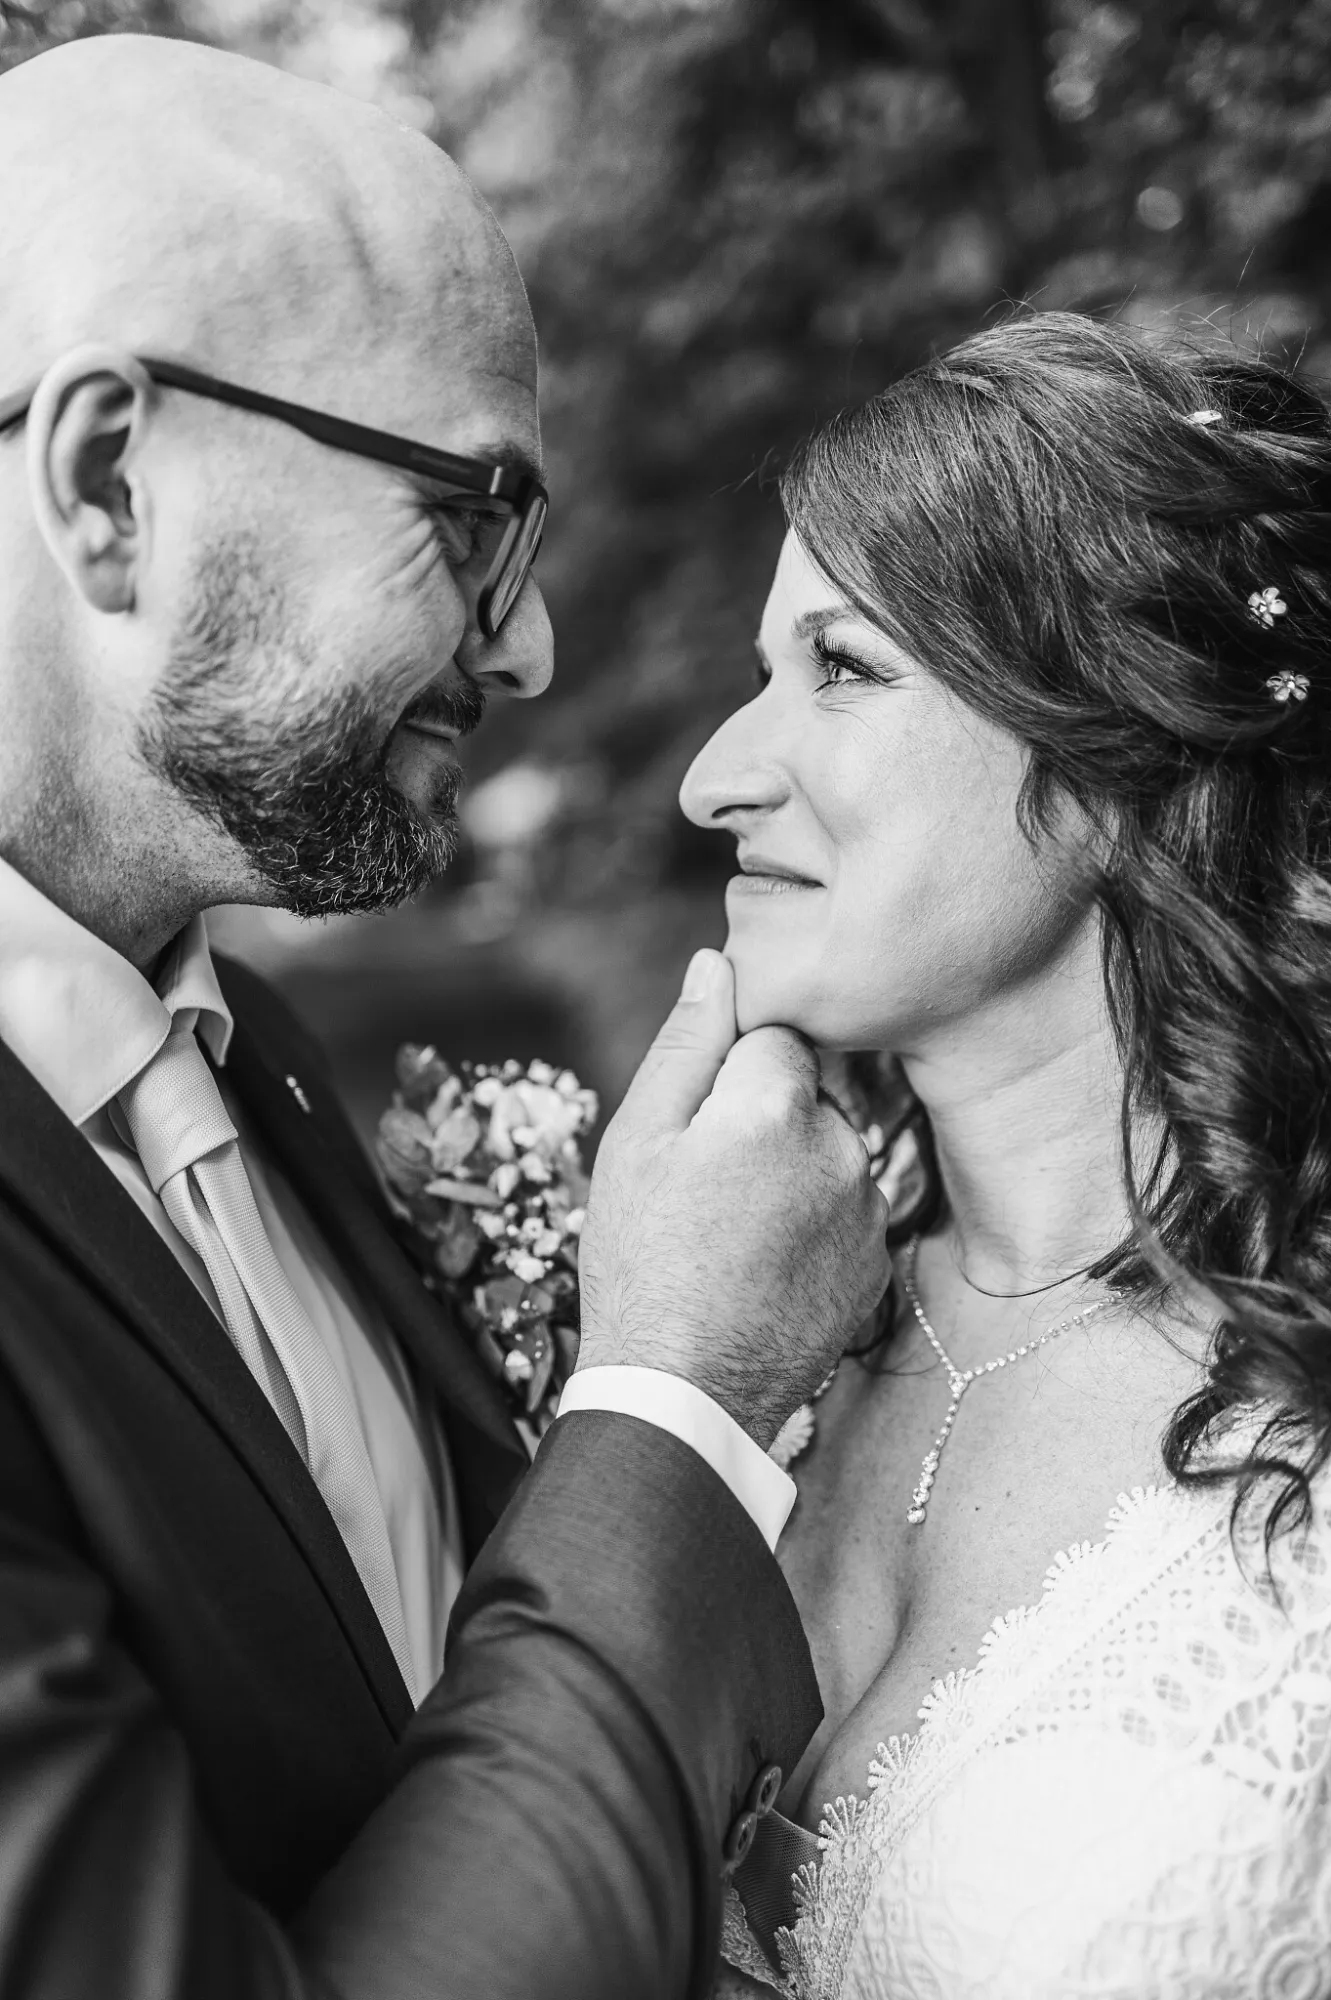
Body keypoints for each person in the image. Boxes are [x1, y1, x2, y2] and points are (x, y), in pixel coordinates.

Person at [0, 32, 894, 2000]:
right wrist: (676, 1401)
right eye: (473, 513)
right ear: (107, 483)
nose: (534, 641)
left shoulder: (256, 1067)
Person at [690, 311, 1331, 1998]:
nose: (711, 779)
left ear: (1120, 746)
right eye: (759, 678)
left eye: (840, 668)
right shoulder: (750, 1332)